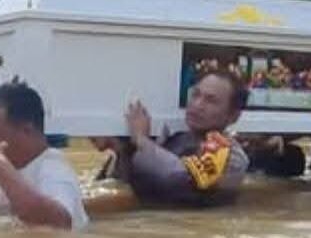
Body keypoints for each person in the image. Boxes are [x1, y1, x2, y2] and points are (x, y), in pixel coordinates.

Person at [96, 70, 251, 207]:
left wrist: (141, 139)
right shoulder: (174, 138)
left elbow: (179, 179)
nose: (198, 105)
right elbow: (121, 183)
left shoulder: (234, 157)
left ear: (233, 116)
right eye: (195, 95)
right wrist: (121, 148)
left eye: (211, 101)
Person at [0, 80, 88, 231]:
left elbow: (61, 222)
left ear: (27, 131)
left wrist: (4, 172)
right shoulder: (11, 163)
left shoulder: (53, 169)